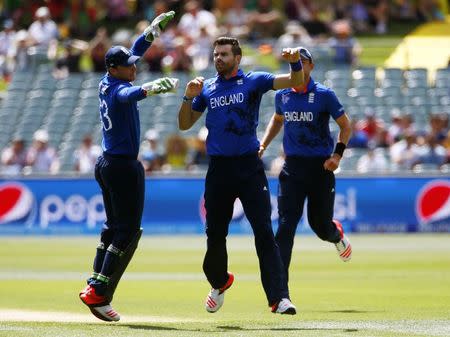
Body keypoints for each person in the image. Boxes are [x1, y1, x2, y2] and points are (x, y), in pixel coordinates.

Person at [178, 36, 305, 315]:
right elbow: (185, 123)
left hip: (249, 167)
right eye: (215, 54)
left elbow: (295, 82)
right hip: (219, 169)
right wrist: (188, 95)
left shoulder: (254, 81)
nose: (218, 59)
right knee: (215, 236)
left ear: (237, 57)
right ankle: (219, 282)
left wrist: (295, 62)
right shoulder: (207, 88)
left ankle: (279, 298)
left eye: (224, 54)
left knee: (263, 232)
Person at [78, 11, 178, 322]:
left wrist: (151, 31)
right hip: (121, 166)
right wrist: (153, 88)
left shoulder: (108, 79)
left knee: (111, 227)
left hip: (107, 162)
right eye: (128, 66)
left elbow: (133, 52)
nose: (134, 68)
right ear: (113, 68)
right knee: (128, 230)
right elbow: (130, 93)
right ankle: (100, 291)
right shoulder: (118, 89)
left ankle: (95, 282)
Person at [258, 47, 353, 288]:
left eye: (301, 62)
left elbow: (345, 126)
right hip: (292, 169)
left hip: (321, 168)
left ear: (310, 66)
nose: (297, 65)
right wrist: (263, 144)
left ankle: (336, 234)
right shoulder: (282, 95)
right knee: (286, 226)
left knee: (320, 227)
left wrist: (337, 157)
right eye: (293, 62)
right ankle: (280, 291)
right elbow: (278, 119)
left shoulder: (324, 94)